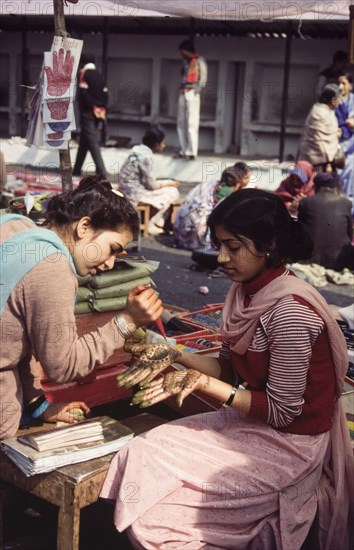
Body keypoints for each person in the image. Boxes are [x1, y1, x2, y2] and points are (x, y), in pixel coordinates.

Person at [101, 188, 353, 550]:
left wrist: (201, 381)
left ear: (268, 246)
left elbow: (283, 412)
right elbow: (232, 369)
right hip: (249, 426)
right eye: (219, 245)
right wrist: (176, 355)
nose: (221, 257)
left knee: (158, 516)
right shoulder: (244, 292)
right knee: (141, 451)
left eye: (233, 247)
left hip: (290, 446)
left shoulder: (291, 314)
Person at [0, 176, 163, 439]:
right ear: (84, 226)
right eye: (112, 249)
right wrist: (127, 321)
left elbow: (18, 335)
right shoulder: (52, 268)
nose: (110, 264)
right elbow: (63, 367)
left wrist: (38, 404)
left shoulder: (14, 225)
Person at [173, 162, 252, 250]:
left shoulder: (218, 185)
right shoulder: (227, 192)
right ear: (239, 180)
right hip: (196, 228)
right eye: (246, 178)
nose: (248, 181)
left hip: (182, 229)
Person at [118, 126, 180, 236]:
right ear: (156, 144)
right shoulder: (146, 157)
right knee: (173, 192)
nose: (164, 145)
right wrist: (168, 183)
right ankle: (154, 223)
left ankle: (153, 222)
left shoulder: (137, 149)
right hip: (135, 194)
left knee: (169, 189)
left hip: (127, 189)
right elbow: (151, 185)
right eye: (163, 143)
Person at [298, 172, 353, 270]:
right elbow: (349, 234)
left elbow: (299, 232)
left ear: (315, 187)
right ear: (335, 187)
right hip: (339, 262)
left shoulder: (305, 202)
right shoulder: (346, 203)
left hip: (310, 260)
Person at [72, 53, 108, 178]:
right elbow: (105, 95)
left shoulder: (83, 74)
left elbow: (83, 94)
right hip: (99, 113)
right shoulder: (99, 76)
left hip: (88, 112)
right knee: (84, 143)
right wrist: (101, 109)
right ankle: (76, 170)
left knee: (92, 142)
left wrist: (92, 107)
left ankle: (102, 172)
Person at [297, 83, 342, 173]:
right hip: (321, 162)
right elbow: (323, 138)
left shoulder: (317, 109)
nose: (340, 101)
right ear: (333, 100)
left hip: (308, 157)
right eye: (339, 98)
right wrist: (335, 134)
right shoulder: (324, 113)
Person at [176, 39, 208, 160]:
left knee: (191, 122)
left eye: (183, 51)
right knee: (181, 122)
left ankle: (192, 151)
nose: (181, 54)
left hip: (192, 92)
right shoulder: (185, 62)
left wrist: (195, 91)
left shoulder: (199, 61)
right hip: (182, 91)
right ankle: (183, 149)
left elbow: (203, 79)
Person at [335, 71, 354, 200]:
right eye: (339, 83)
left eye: (344, 83)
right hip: (337, 142)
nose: (340, 86)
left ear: (351, 85)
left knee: (350, 171)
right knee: (337, 172)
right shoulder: (333, 100)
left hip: (352, 143)